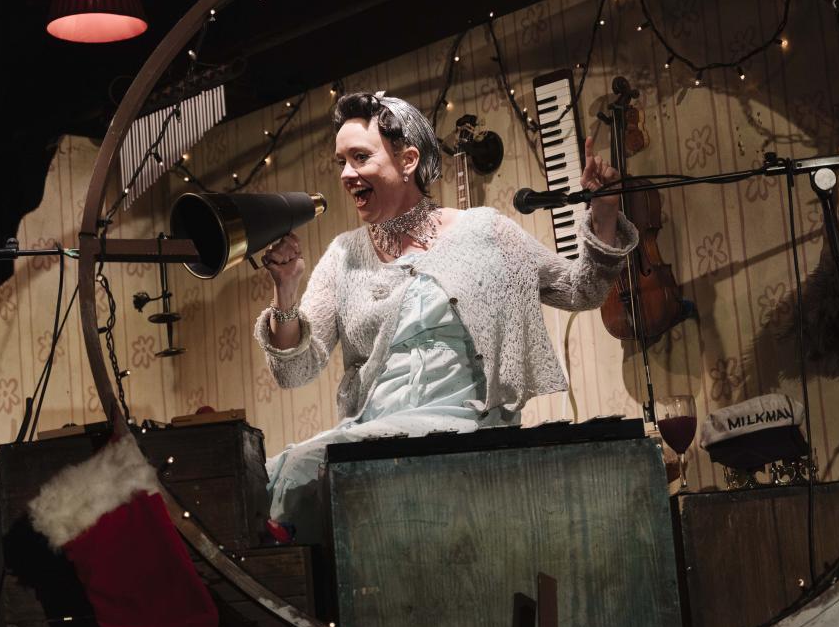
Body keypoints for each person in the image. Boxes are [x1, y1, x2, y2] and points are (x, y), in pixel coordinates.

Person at [254, 91, 638, 542]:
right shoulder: (344, 256)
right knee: (263, 477)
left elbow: (581, 289)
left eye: (360, 157)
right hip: (373, 433)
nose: (346, 174)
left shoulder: (485, 232)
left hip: (463, 427)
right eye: (341, 161)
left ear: (408, 160)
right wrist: (285, 289)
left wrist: (604, 214)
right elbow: (295, 370)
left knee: (302, 468)